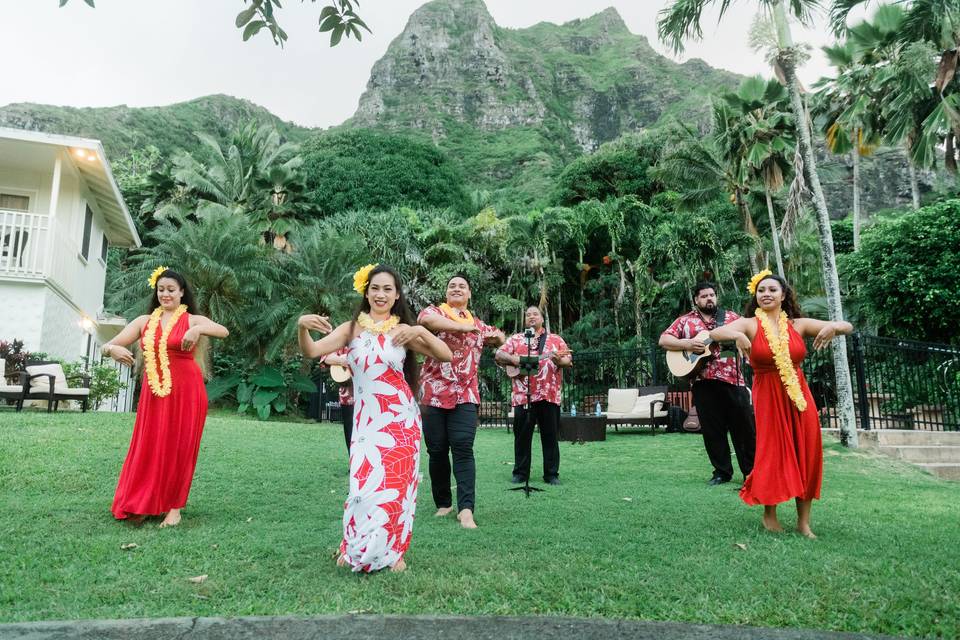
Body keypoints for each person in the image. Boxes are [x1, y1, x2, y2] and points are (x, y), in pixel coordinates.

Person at [297, 264, 452, 572]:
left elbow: (445, 354)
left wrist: (420, 330)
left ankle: (394, 552)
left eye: (387, 289)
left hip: (401, 418)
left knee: (397, 485)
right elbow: (312, 351)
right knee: (363, 488)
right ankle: (353, 545)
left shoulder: (402, 331)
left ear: (396, 296)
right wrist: (302, 326)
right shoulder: (351, 328)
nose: (380, 294)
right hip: (368, 422)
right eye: (375, 288)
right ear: (366, 292)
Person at [709, 270, 853, 538]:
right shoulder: (750, 324)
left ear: (783, 295)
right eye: (761, 290)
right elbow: (716, 332)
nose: (766, 294)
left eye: (772, 290)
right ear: (756, 295)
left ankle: (803, 522)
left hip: (799, 396)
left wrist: (833, 326)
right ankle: (769, 514)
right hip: (768, 396)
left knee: (806, 452)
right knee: (772, 453)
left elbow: (847, 326)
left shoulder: (797, 325)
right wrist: (737, 335)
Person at [104, 267, 229, 528]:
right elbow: (108, 344)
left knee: (179, 448)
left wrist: (197, 331)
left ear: (182, 292)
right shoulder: (143, 321)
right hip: (154, 396)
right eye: (161, 290)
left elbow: (222, 330)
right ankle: (146, 502)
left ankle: (174, 508)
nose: (165, 294)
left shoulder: (191, 319)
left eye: (171, 289)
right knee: (150, 447)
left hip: (187, 393)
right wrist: (113, 349)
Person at [418, 274, 505, 529]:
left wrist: (498, 338)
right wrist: (461, 326)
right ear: (446, 294)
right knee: (436, 450)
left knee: (463, 448)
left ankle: (466, 509)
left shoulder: (478, 324)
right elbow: (425, 320)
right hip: (433, 393)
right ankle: (444, 504)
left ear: (469, 295)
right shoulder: (436, 312)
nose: (456, 289)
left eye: (462, 286)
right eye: (452, 286)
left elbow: (500, 337)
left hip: (465, 394)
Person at [660, 281, 756, 486]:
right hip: (703, 382)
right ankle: (721, 472)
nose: (709, 298)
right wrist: (686, 343)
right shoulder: (685, 321)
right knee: (713, 430)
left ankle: (751, 472)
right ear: (696, 300)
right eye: (704, 296)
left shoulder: (731, 318)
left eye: (712, 295)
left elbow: (750, 336)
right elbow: (664, 340)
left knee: (744, 429)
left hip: (734, 379)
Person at [495, 306, 572, 485]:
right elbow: (499, 354)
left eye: (535, 314)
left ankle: (551, 474)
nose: (531, 317)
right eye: (528, 315)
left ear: (542, 319)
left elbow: (567, 360)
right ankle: (520, 474)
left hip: (549, 395)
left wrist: (558, 360)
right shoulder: (516, 339)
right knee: (522, 436)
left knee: (550, 436)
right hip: (523, 396)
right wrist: (515, 359)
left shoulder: (555, 340)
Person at [321, 347, 354, 454]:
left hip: (373, 393)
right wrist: (343, 360)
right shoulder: (345, 336)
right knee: (350, 429)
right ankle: (353, 463)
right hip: (349, 395)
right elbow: (326, 358)